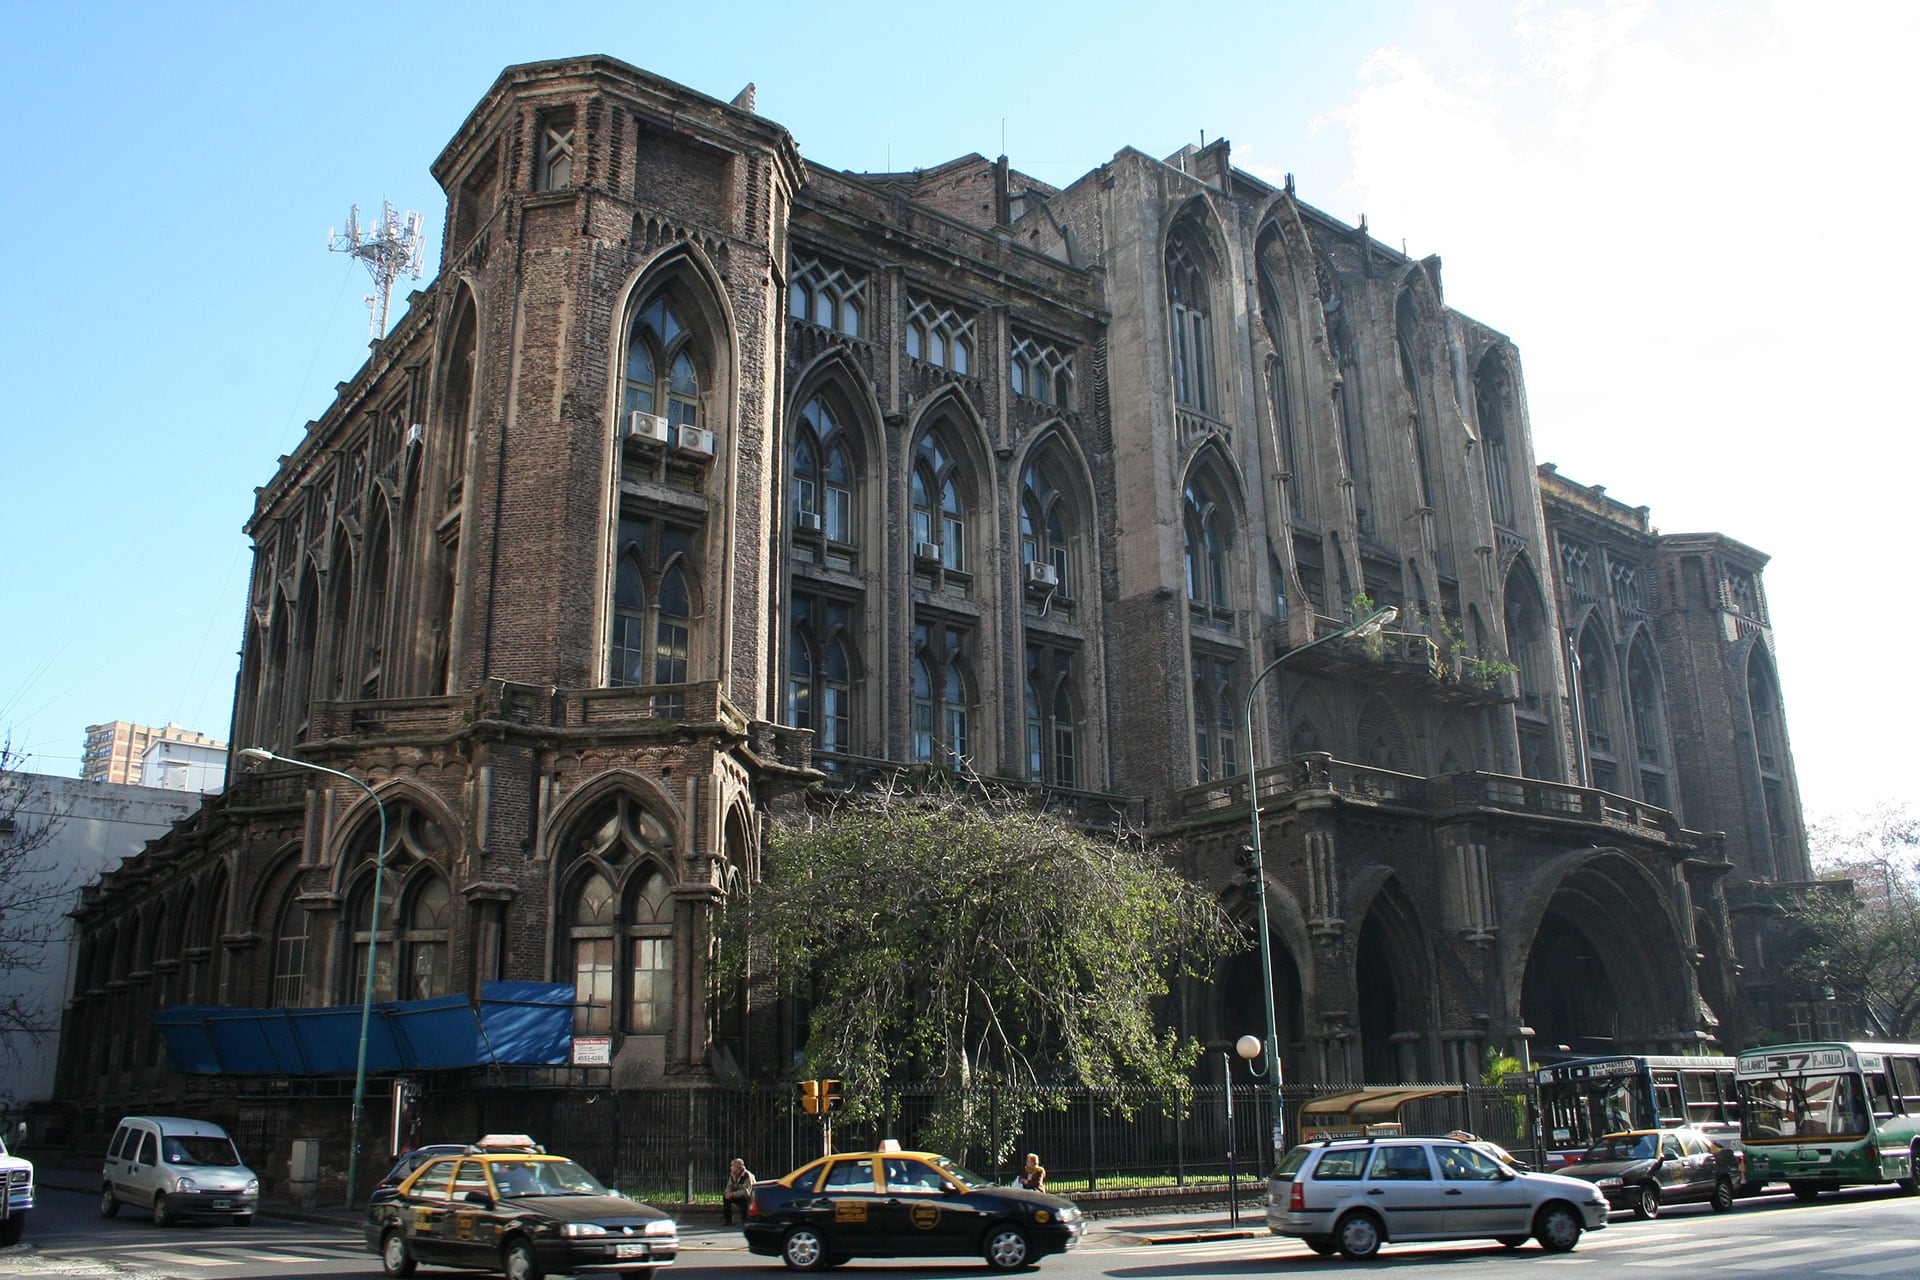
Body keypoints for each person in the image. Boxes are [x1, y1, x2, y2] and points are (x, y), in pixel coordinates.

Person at [723, 1157, 755, 1225]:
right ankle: (728, 1220)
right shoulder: (732, 1175)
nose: (731, 1167)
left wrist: (732, 1194)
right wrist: (728, 1193)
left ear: (738, 1167)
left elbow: (746, 1191)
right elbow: (729, 1186)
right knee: (726, 1198)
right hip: (737, 1195)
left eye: (732, 1166)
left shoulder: (746, 1175)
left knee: (744, 1200)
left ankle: (744, 1221)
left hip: (749, 1197)